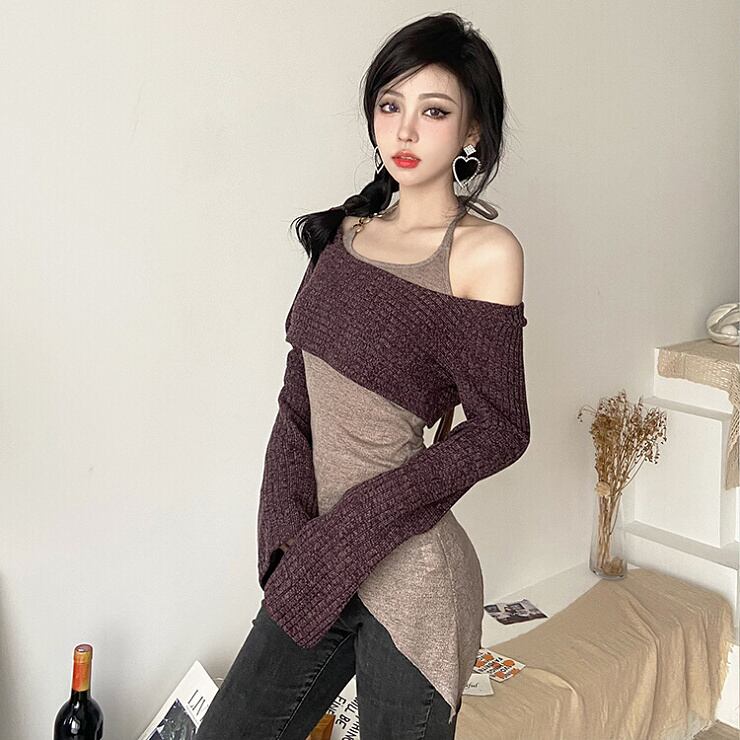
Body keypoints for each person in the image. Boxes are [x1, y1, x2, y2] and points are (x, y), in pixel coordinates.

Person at [197, 11, 530, 740]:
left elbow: (502, 430)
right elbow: (297, 400)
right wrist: (285, 535)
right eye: (390, 105)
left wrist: (352, 528)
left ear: (472, 132)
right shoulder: (343, 235)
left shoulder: (484, 253)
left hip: (413, 583)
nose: (405, 130)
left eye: (433, 111)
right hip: (320, 559)